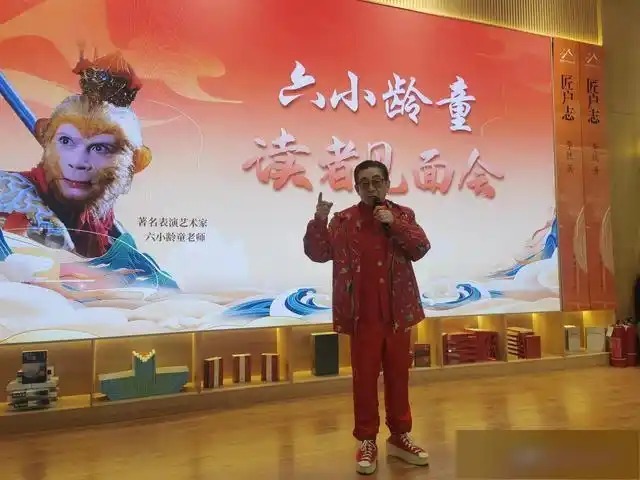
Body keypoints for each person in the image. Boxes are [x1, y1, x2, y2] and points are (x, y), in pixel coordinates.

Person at [303, 160, 431, 475]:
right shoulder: (344, 220)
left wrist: (394, 224)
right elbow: (318, 253)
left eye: (376, 181)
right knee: (364, 380)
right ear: (357, 187)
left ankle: (400, 436)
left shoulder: (403, 215)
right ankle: (367, 440)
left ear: (387, 184)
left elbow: (420, 247)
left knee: (399, 376)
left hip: (398, 313)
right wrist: (319, 220)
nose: (371, 188)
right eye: (364, 183)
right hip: (362, 316)